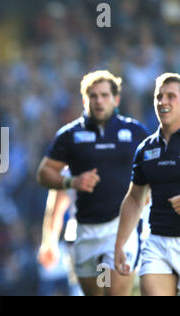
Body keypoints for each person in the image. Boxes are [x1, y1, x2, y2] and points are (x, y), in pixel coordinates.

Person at [36, 70, 149, 296]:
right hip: (84, 232)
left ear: (116, 99)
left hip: (121, 230)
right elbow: (45, 175)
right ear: (84, 99)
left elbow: (158, 169)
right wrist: (72, 182)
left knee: (114, 292)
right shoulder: (70, 136)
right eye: (93, 95)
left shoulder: (135, 132)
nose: (99, 101)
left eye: (105, 95)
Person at [115, 73, 180, 296]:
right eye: (159, 96)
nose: (163, 101)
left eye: (171, 96)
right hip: (158, 243)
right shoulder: (145, 149)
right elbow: (135, 198)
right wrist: (120, 244)